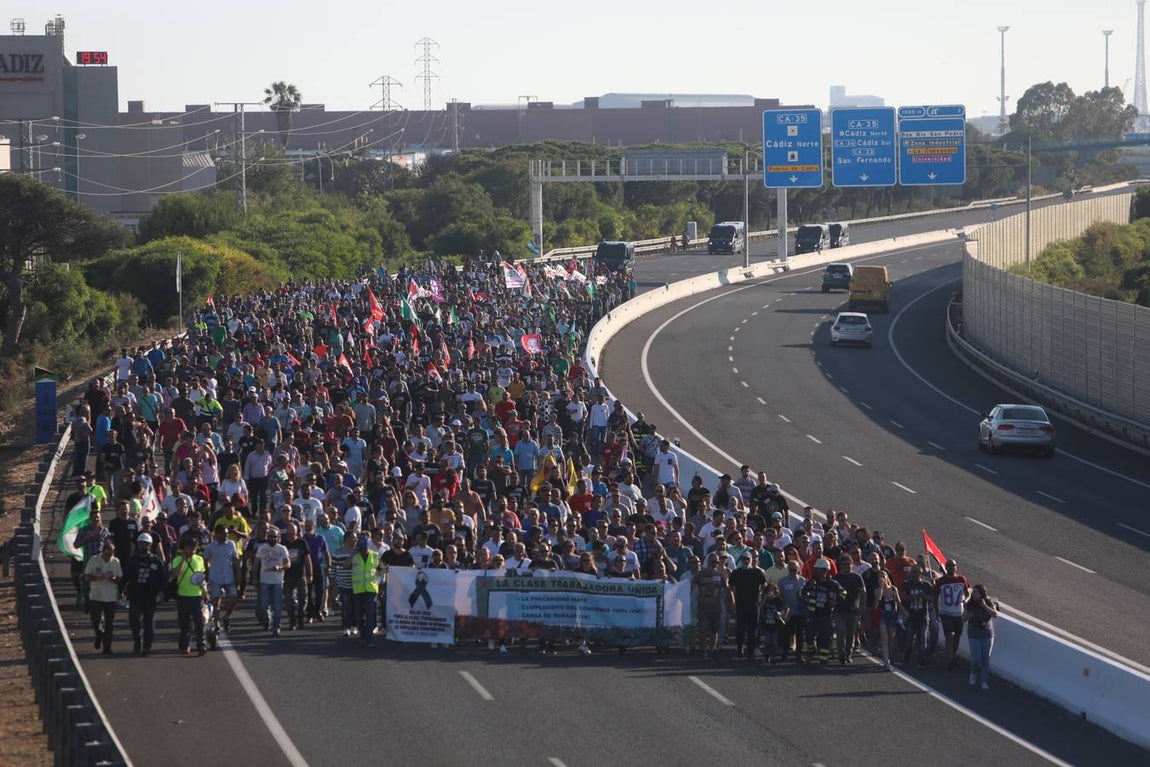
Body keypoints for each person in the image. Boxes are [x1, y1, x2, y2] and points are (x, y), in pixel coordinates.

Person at [122, 532, 166, 655]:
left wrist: (162, 592)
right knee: (134, 620)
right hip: (135, 595)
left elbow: (162, 578)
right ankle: (137, 640)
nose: (143, 546)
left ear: (150, 546)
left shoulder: (156, 561)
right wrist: (120, 590)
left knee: (149, 623)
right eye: (141, 544)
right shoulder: (133, 561)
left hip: (150, 596)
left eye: (146, 544)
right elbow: (125, 577)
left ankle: (147, 646)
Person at [169, 537, 208, 655]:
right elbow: (175, 573)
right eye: (189, 547)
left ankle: (201, 645)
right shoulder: (177, 559)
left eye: (194, 548)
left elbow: (201, 576)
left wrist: (205, 591)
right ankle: (185, 645)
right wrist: (183, 560)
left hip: (196, 595)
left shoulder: (200, 559)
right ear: (185, 548)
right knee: (184, 623)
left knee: (199, 622)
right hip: (183, 595)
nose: (191, 550)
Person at [84, 540, 121, 654]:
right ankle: (99, 635)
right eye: (106, 553)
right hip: (96, 596)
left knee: (109, 623)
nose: (108, 556)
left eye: (111, 554)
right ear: (103, 551)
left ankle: (107, 648)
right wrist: (96, 578)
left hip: (111, 597)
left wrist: (113, 579)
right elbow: (87, 576)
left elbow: (120, 579)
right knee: (96, 621)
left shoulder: (115, 562)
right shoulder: (94, 560)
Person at [729, 551, 767, 660]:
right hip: (740, 604)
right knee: (740, 628)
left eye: (748, 559)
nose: (746, 561)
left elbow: (764, 586)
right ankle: (740, 648)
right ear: (741, 560)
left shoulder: (757, 572)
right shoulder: (736, 572)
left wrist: (762, 600)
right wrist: (732, 600)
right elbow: (730, 587)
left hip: (754, 604)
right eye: (744, 559)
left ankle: (750, 651)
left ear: (751, 560)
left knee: (753, 629)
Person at [935, 558, 971, 671]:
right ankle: (949, 658)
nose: (951, 567)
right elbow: (935, 597)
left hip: (958, 613)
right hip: (946, 612)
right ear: (946, 567)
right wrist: (937, 611)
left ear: (956, 567)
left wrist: (965, 599)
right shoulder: (941, 581)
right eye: (949, 565)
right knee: (949, 635)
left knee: (957, 636)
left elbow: (967, 592)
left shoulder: (962, 579)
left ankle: (953, 656)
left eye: (953, 565)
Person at [204, 525, 240, 634]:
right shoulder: (210, 547)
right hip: (215, 578)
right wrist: (208, 570)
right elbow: (205, 559)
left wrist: (238, 575)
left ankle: (226, 617)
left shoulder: (231, 544)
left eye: (227, 534)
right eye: (224, 534)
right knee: (216, 602)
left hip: (229, 577)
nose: (226, 535)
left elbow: (235, 559)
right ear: (217, 535)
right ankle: (216, 623)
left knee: (233, 599)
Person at [963, 584, 999, 690]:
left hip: (987, 633)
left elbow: (995, 614)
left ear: (981, 594)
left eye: (975, 592)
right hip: (974, 634)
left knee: (985, 658)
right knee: (976, 658)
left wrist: (984, 606)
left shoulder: (989, 601)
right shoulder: (969, 604)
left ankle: (984, 681)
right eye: (973, 592)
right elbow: (963, 618)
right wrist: (969, 616)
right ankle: (973, 672)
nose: (973, 594)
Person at [256, 527, 290, 636]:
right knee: (264, 605)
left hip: (277, 581)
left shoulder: (282, 549)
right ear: (267, 537)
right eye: (270, 536)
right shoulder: (262, 548)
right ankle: (267, 620)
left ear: (278, 537)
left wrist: (280, 567)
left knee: (278, 606)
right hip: (264, 580)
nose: (273, 538)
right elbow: (256, 563)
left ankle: (276, 627)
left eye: (275, 536)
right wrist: (254, 578)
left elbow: (288, 563)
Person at [350, 535, 383, 644]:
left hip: (371, 589)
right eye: (361, 548)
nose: (363, 551)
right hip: (358, 590)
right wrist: (353, 554)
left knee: (370, 612)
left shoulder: (375, 556)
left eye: (365, 548)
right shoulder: (355, 556)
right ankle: (362, 632)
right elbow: (345, 565)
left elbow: (382, 571)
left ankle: (369, 636)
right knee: (359, 614)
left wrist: (378, 582)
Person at [874, 569, 903, 670]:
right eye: (879, 577)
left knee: (891, 639)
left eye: (883, 576)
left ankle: (888, 656)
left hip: (892, 616)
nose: (881, 578)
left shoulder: (893, 589)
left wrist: (904, 612)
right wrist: (881, 590)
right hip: (883, 616)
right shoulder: (877, 591)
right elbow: (876, 604)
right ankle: (886, 662)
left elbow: (898, 603)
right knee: (884, 639)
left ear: (887, 578)